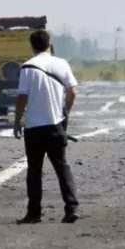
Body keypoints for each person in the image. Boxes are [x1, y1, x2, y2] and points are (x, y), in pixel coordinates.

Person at [13, 30, 80, 224]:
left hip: (34, 127)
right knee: (62, 167)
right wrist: (64, 112)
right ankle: (71, 208)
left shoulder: (27, 67)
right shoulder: (62, 64)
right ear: (49, 44)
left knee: (34, 171)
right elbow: (73, 91)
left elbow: (22, 98)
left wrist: (17, 121)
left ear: (32, 45)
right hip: (55, 126)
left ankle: (34, 213)